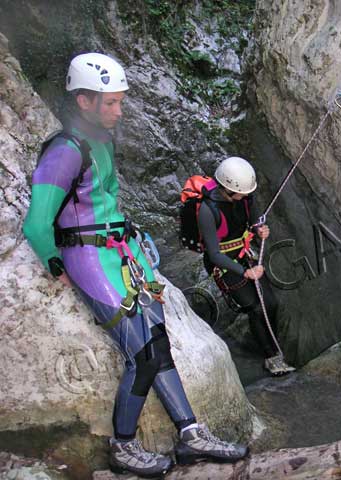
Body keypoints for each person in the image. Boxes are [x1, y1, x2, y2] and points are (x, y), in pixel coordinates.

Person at [22, 52, 248, 478]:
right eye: (110, 102)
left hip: (121, 256)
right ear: (83, 101)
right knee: (141, 354)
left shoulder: (101, 143)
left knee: (158, 345)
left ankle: (191, 434)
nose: (118, 110)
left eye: (119, 101)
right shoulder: (65, 151)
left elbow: (103, 203)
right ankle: (122, 446)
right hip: (90, 259)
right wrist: (57, 264)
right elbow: (36, 223)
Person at [199, 156, 296, 376]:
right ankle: (270, 357)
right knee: (254, 307)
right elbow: (214, 254)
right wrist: (245, 272)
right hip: (224, 264)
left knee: (270, 303)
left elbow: (253, 222)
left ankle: (272, 342)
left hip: (243, 254)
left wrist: (260, 230)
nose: (246, 195)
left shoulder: (244, 198)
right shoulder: (207, 210)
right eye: (242, 192)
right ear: (226, 189)